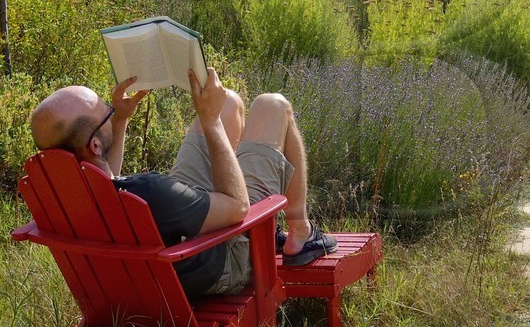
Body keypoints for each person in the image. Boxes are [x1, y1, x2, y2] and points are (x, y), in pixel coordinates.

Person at [28, 67, 335, 297]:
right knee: (273, 106)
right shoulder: (151, 192)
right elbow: (238, 207)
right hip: (222, 259)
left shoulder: (67, 194)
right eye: (107, 112)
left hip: (160, 258)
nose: (111, 111)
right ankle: (300, 232)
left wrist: (119, 121)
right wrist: (210, 121)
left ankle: (270, 220)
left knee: (228, 103)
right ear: (95, 145)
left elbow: (109, 180)